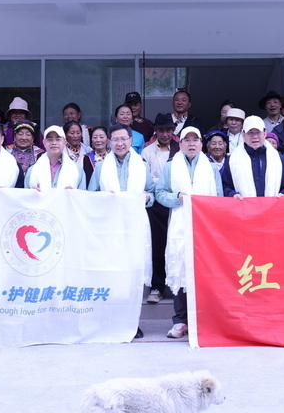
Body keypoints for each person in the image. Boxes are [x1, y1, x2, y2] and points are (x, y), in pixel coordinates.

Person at [154, 126, 223, 339]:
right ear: (181, 144)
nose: (191, 143)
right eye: (187, 140)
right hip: (180, 224)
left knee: (203, 270)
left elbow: (219, 197)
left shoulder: (211, 168)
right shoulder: (170, 166)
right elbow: (159, 193)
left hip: (205, 225)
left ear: (201, 144)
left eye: (195, 140)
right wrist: (177, 198)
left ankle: (203, 319)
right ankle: (180, 320)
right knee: (180, 267)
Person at [88, 123, 154, 339]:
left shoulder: (141, 165)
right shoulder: (101, 168)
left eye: (123, 139)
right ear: (109, 142)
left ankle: (132, 322)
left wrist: (147, 197)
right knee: (111, 275)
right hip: (110, 228)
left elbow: (152, 192)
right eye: (115, 139)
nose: (120, 143)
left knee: (133, 275)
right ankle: (110, 321)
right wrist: (103, 200)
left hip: (135, 226)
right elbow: (91, 196)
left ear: (130, 140)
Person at [141, 113, 180, 304]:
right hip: (157, 205)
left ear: (173, 131)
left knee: (179, 244)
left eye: (168, 130)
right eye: (161, 130)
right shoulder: (147, 152)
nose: (165, 134)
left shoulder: (180, 150)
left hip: (178, 203)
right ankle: (157, 286)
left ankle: (179, 286)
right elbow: (147, 180)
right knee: (158, 245)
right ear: (155, 131)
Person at [222, 116, 284, 198]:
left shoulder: (277, 158)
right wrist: (232, 194)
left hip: (272, 204)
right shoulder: (232, 159)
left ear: (264, 134)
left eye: (258, 132)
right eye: (250, 132)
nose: (255, 136)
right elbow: (225, 186)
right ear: (243, 134)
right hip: (243, 205)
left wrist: (283, 194)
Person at [25, 126, 87, 191]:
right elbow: (26, 195)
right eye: (50, 139)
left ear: (65, 142)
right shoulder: (32, 170)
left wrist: (73, 194)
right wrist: (33, 194)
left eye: (58, 139)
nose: (54, 143)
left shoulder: (77, 169)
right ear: (44, 143)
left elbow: (82, 195)